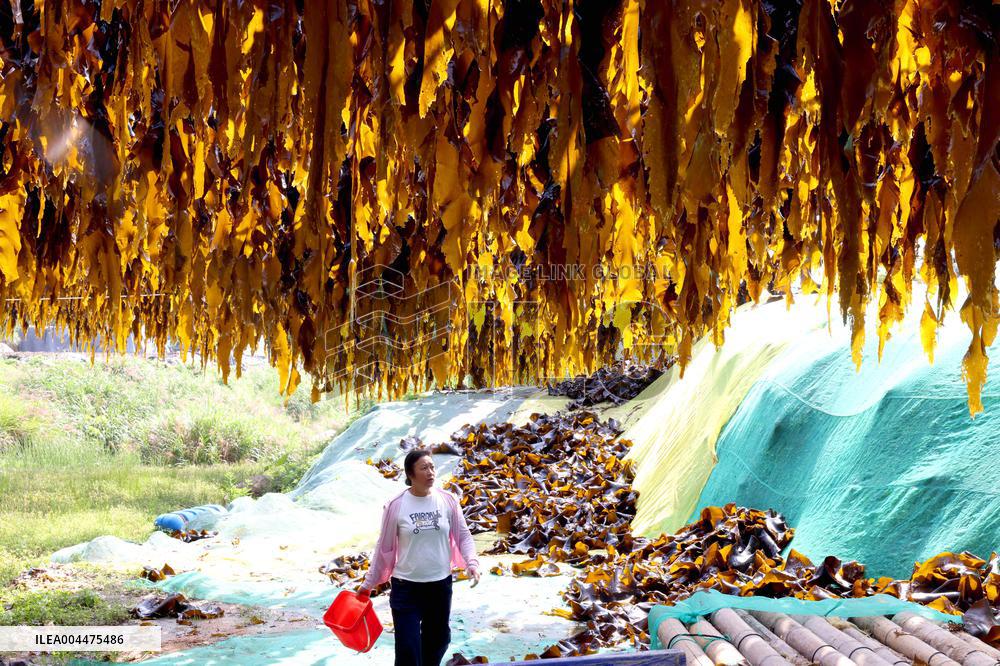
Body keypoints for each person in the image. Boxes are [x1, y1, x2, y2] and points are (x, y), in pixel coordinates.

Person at [358, 448, 481, 666]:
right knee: (408, 648)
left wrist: (472, 562)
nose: (431, 472)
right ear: (411, 474)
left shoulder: (448, 500)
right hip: (406, 588)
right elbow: (383, 547)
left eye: (432, 466)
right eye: (424, 468)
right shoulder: (396, 505)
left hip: (439, 586)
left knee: (439, 640)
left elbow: (463, 535)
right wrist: (369, 583)